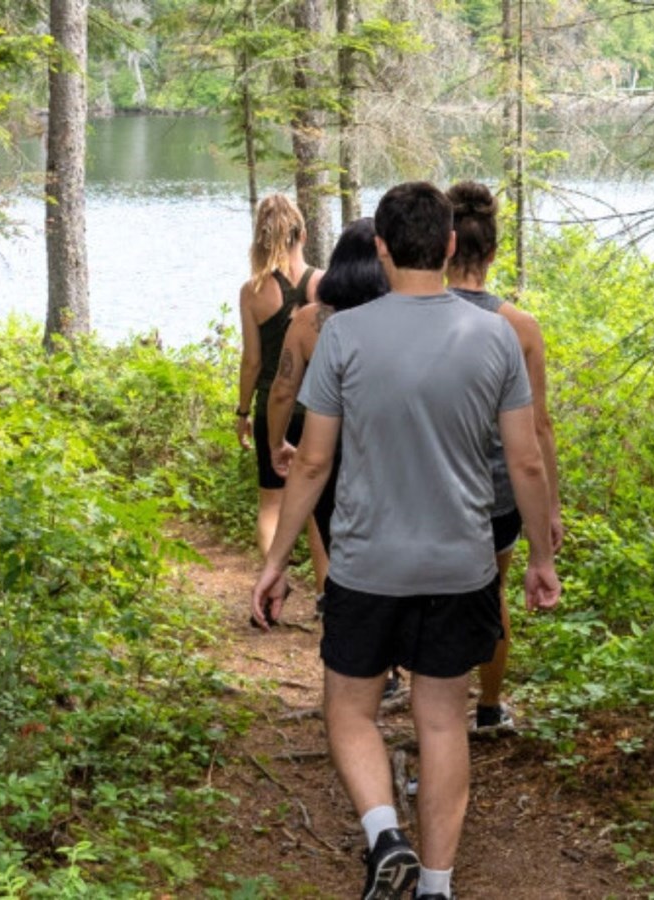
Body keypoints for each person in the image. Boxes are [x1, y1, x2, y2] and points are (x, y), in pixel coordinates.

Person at [250, 182, 561, 900]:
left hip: (366, 564)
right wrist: (540, 556)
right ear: (450, 245)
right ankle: (438, 886)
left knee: (351, 710)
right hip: (462, 564)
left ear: (382, 248)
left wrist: (276, 562)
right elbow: (525, 460)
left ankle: (387, 836)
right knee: (443, 721)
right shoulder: (496, 334)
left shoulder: (345, 335)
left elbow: (315, 460)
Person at [443, 180, 565, 737]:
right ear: (492, 254)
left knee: (432, 601)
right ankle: (488, 710)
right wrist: (550, 512)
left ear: (446, 248)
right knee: (490, 598)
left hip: (430, 489)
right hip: (496, 495)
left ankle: (437, 712)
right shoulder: (521, 327)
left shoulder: (413, 316)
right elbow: (537, 429)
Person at [265, 217, 387, 561]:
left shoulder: (309, 319)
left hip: (325, 440)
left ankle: (333, 602)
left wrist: (277, 443)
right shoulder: (397, 319)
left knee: (337, 544)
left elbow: (283, 389)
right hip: (382, 443)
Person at [235, 194, 328, 608]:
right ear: (303, 234)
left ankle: (277, 579)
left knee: (271, 502)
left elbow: (252, 362)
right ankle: (329, 597)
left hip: (273, 407)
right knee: (317, 508)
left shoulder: (253, 291)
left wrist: (242, 413)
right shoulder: (322, 285)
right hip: (317, 408)